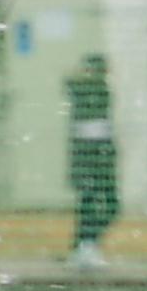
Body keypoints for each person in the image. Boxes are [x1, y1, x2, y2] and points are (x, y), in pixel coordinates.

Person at [62, 52, 119, 267]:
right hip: (90, 155)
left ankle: (85, 244)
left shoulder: (101, 90)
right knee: (90, 203)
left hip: (101, 155)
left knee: (104, 204)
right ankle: (85, 246)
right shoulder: (85, 91)